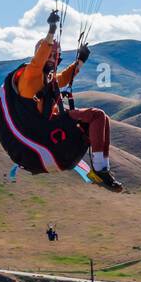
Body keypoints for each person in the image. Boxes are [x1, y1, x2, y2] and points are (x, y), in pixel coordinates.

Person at [13, 10, 123, 192]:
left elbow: (64, 77)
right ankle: (99, 170)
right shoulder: (30, 76)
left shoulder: (49, 79)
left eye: (57, 56)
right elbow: (38, 60)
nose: (55, 59)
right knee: (95, 115)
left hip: (54, 124)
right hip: (43, 129)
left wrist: (80, 60)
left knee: (102, 118)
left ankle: (101, 169)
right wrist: (52, 30)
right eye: (51, 55)